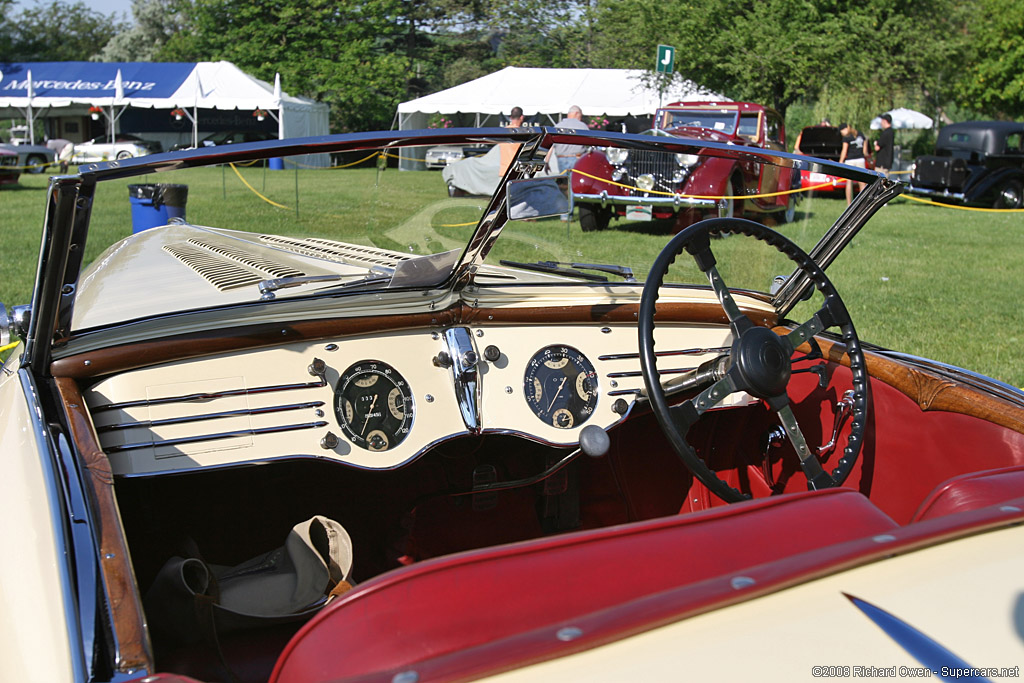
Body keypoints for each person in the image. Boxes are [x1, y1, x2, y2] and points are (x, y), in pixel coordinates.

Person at [544, 105, 589, 174]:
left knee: (564, 182)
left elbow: (550, 146)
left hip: (561, 159)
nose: (581, 118)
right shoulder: (582, 126)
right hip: (577, 159)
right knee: (574, 182)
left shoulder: (558, 126)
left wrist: (547, 162)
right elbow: (590, 144)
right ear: (576, 113)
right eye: (581, 116)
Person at [838, 122, 868, 205]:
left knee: (849, 183)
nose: (842, 134)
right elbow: (865, 151)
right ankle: (863, 203)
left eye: (841, 132)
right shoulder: (861, 134)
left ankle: (849, 204)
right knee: (862, 183)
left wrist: (840, 162)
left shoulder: (846, 137)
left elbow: (844, 151)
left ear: (844, 129)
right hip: (861, 160)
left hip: (850, 160)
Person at [499, 106, 525, 175]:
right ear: (522, 117)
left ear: (510, 117)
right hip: (515, 172)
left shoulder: (503, 132)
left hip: (503, 171)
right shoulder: (521, 134)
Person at [873, 113, 895, 177]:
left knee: (879, 182)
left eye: (882, 121)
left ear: (885, 121)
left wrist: (875, 143)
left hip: (882, 163)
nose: (881, 123)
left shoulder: (885, 133)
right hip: (888, 162)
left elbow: (877, 147)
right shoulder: (891, 132)